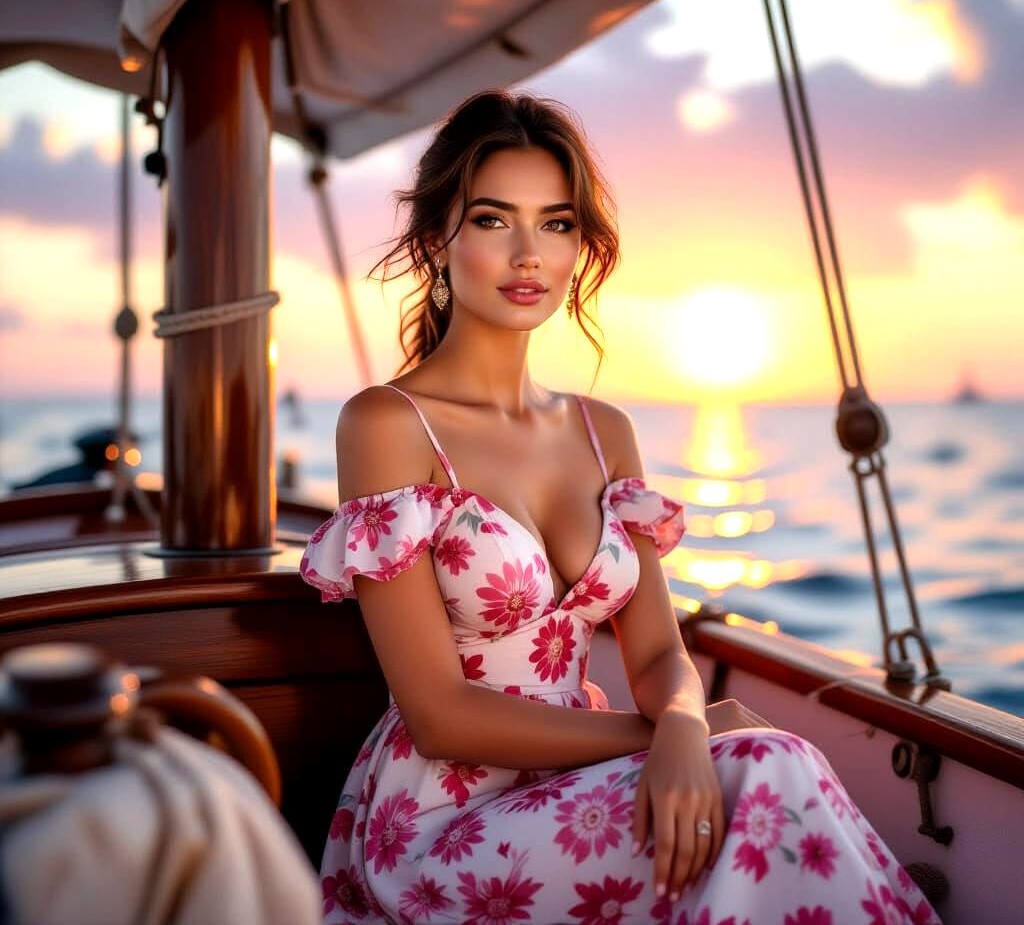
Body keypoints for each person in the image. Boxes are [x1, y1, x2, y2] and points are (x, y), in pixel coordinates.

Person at [300, 89, 941, 925]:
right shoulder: (388, 423)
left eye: (557, 223)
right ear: (437, 239)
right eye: (495, 220)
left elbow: (658, 659)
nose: (529, 254)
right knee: (763, 766)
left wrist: (681, 720)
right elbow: (439, 715)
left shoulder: (605, 432)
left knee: (762, 764)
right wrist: (668, 737)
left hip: (580, 780)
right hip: (445, 817)